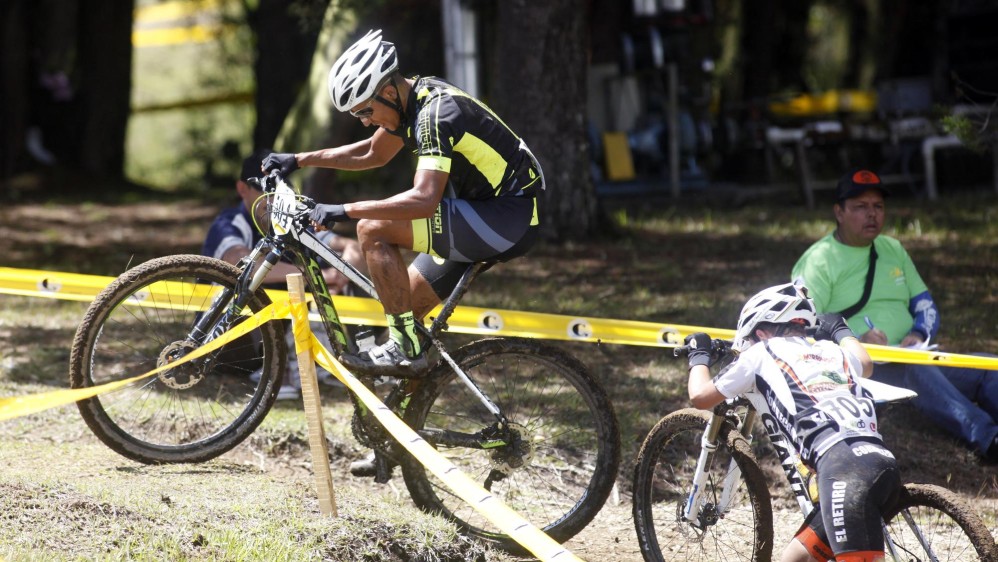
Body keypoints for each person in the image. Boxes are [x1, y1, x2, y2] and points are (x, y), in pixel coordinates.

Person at [260, 29, 545, 378]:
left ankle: (405, 348)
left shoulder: (434, 117)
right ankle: (409, 396)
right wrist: (299, 159)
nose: (365, 121)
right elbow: (371, 152)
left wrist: (343, 211)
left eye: (365, 110)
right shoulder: (414, 100)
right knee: (404, 307)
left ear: (389, 92)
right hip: (488, 211)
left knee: (372, 229)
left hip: (508, 216)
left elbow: (424, 200)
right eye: (357, 115)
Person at [792, 169, 998, 462]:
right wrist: (854, 340)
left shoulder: (893, 248)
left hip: (916, 355)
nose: (872, 215)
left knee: (988, 366)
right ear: (839, 212)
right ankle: (988, 439)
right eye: (860, 207)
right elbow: (800, 329)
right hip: (865, 368)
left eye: (878, 206)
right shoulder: (818, 260)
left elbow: (925, 306)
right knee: (916, 368)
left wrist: (918, 335)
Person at [685, 282, 900, 562]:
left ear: (760, 333)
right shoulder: (831, 351)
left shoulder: (761, 352)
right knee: (793, 558)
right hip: (880, 460)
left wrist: (698, 355)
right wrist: (839, 329)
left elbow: (700, 397)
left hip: (843, 470)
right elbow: (866, 363)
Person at [202, 148, 365, 400]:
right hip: (224, 341)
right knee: (264, 284)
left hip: (260, 337)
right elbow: (241, 264)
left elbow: (350, 246)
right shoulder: (231, 223)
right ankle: (285, 366)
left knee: (331, 278)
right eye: (262, 190)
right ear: (242, 189)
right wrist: (320, 277)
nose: (270, 199)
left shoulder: (287, 221)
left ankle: (345, 355)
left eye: (277, 191)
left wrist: (342, 274)